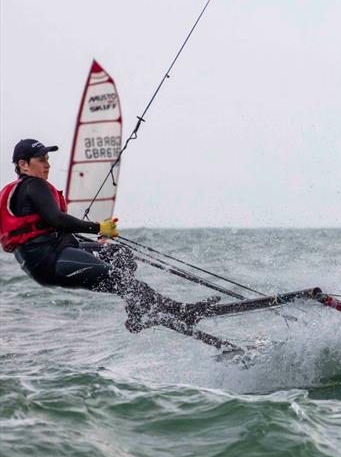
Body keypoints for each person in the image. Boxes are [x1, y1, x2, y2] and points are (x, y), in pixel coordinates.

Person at [0, 138, 215, 332]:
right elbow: (57, 220)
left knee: (120, 254)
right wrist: (98, 228)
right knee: (118, 277)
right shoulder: (34, 185)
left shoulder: (26, 189)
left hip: (56, 253)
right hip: (49, 261)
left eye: (48, 158)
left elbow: (49, 225)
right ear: (23, 164)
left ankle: (137, 311)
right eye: (41, 159)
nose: (48, 164)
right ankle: (181, 312)